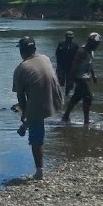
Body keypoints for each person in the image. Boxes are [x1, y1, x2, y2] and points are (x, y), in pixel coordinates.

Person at [11, 36, 63, 179]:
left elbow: (21, 96)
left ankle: (39, 172)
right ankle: (26, 124)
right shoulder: (45, 58)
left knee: (36, 137)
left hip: (39, 104)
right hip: (56, 99)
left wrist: (24, 113)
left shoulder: (21, 68)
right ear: (34, 49)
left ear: (22, 51)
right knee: (34, 113)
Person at [61, 33, 101, 126]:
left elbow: (90, 64)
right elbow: (74, 66)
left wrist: (94, 75)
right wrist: (70, 80)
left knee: (76, 97)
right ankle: (86, 121)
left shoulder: (91, 51)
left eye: (98, 44)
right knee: (88, 96)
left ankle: (65, 116)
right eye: (96, 44)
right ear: (90, 42)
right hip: (79, 77)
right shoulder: (81, 51)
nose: (97, 46)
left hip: (86, 77)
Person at [54, 30, 79, 96]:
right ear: (65, 37)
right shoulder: (61, 44)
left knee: (69, 83)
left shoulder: (75, 45)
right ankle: (58, 95)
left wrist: (76, 68)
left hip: (71, 67)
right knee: (60, 82)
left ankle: (67, 95)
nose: (69, 39)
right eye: (68, 37)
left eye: (71, 37)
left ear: (73, 38)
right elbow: (57, 55)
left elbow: (77, 57)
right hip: (62, 66)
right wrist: (58, 67)